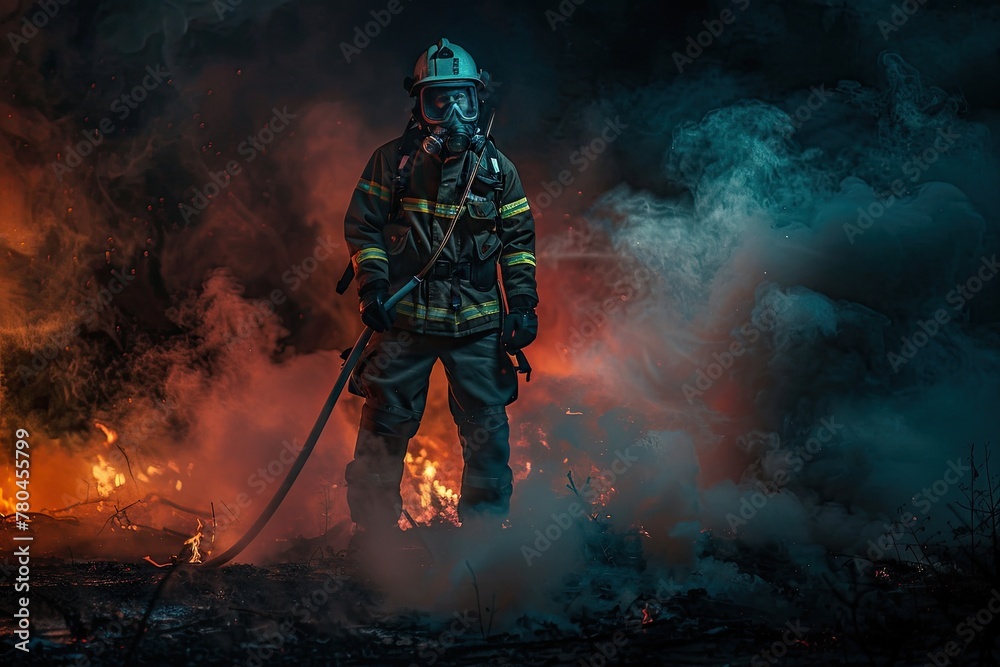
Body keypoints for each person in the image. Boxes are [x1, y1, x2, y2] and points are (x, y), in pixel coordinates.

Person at [341, 38, 538, 541]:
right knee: (384, 428)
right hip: (403, 319)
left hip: (476, 325)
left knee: (487, 433)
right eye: (438, 100)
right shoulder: (393, 164)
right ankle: (374, 543)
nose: (451, 112)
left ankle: (484, 541)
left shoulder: (497, 171)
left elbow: (518, 243)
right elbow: (364, 228)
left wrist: (522, 306)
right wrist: (372, 289)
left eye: (462, 100)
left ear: (478, 101)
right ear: (420, 106)